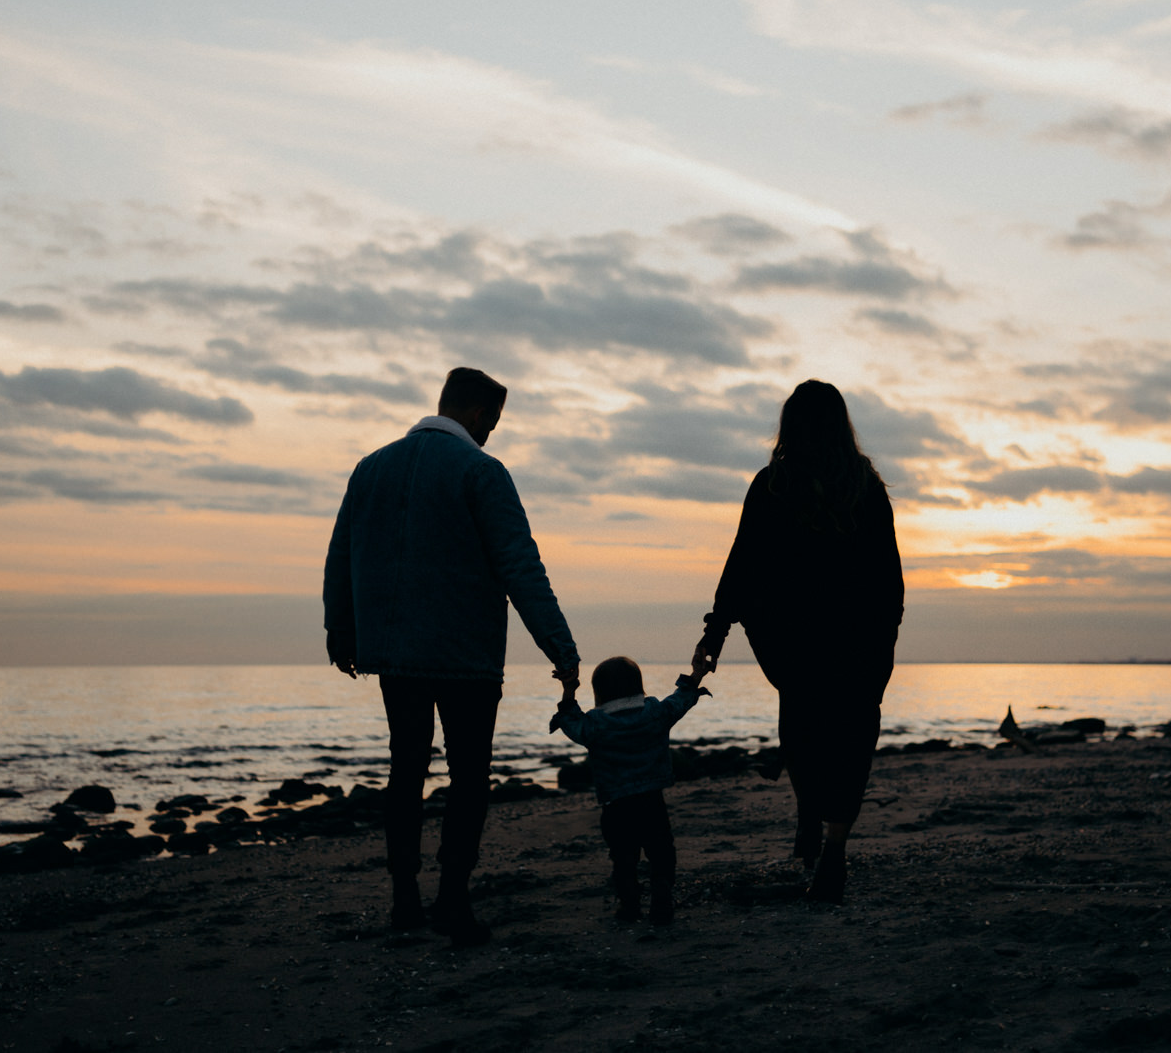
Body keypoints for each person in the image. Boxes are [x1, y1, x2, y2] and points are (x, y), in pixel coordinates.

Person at [323, 367, 580, 944]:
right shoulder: (482, 471)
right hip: (467, 658)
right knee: (469, 778)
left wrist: (343, 634)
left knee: (405, 771)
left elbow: (340, 556)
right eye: (494, 422)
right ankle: (453, 898)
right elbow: (521, 567)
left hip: (396, 655)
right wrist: (561, 649)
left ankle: (404, 898)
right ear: (480, 415)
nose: (492, 433)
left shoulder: (370, 468)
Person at [692, 380, 904, 904]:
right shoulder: (864, 485)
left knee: (803, 734)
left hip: (796, 640)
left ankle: (813, 818)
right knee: (852, 743)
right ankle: (833, 845)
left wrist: (714, 635)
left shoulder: (773, 483)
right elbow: (889, 579)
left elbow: (741, 564)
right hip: (856, 639)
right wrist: (885, 640)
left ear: (788, 425)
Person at [550, 655, 711, 925]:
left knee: (623, 858)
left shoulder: (596, 724)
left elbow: (570, 720)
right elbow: (681, 699)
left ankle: (629, 905)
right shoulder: (654, 713)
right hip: (652, 801)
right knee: (661, 853)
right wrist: (697, 675)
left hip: (615, 806)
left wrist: (569, 690)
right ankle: (661, 895)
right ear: (639, 687)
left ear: (598, 692)